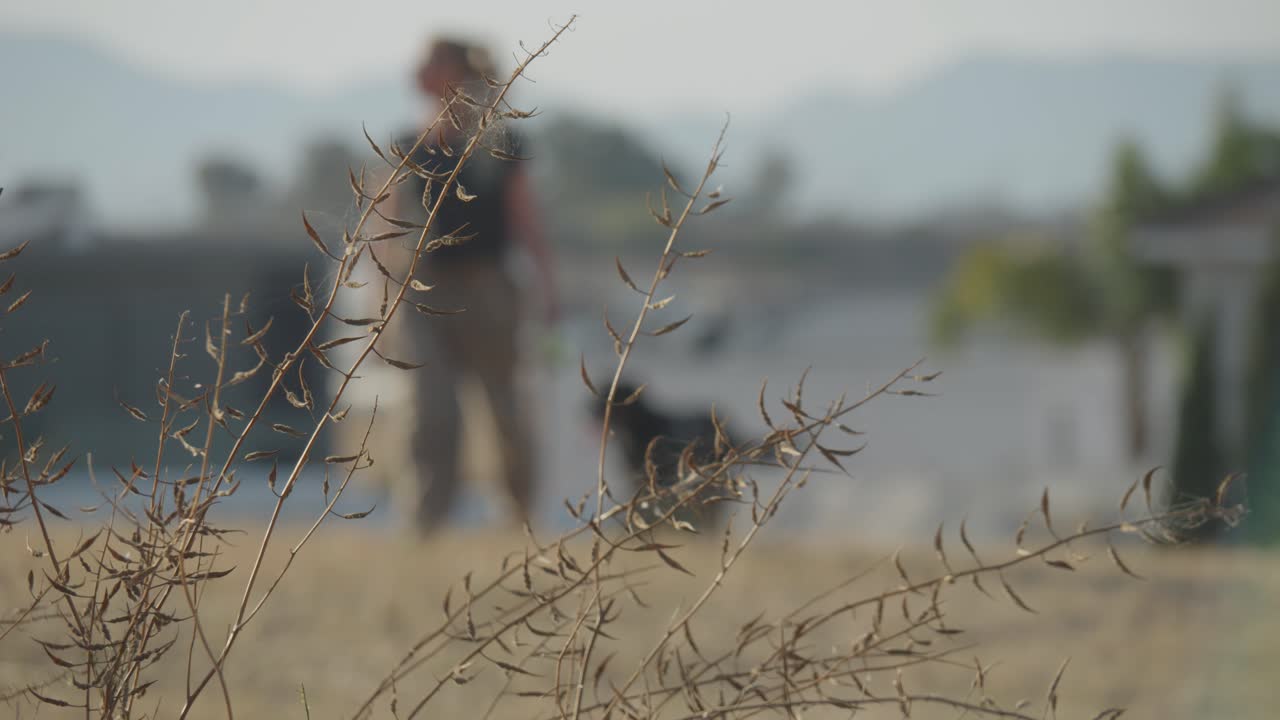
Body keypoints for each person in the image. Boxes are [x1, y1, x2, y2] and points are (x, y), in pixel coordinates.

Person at [382, 35, 558, 535]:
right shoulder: (408, 143)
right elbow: (389, 224)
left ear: (457, 71)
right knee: (430, 412)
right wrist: (383, 299)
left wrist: (549, 295)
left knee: (504, 409)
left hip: (489, 291)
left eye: (430, 61)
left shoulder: (499, 142)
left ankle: (520, 515)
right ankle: (426, 522)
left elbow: (528, 223)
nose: (417, 69)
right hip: (423, 290)